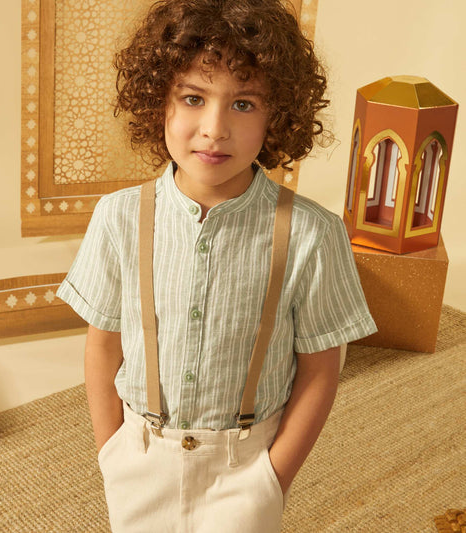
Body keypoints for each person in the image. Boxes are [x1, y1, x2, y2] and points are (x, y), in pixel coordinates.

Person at [57, 1, 377, 531]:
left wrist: (273, 477)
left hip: (246, 467)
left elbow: (321, 370)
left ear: (278, 115)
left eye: (243, 104)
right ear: (157, 100)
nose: (214, 129)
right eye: (193, 98)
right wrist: (111, 452)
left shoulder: (313, 234)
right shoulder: (117, 217)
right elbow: (103, 344)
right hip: (139, 457)